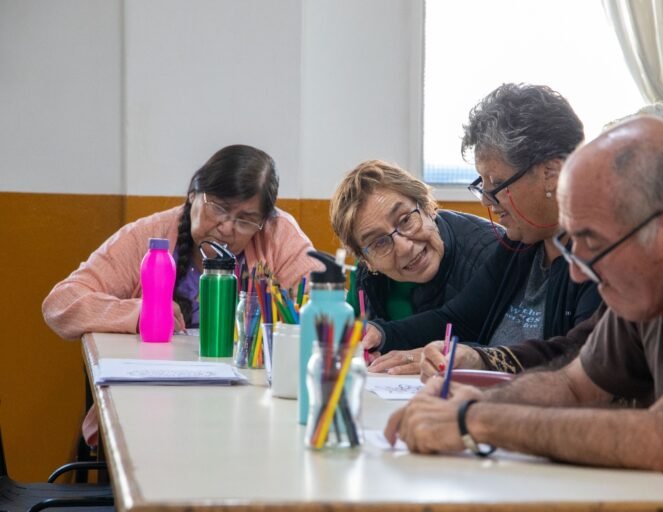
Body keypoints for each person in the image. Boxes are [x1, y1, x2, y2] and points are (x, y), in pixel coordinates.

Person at [385, 116, 663, 512]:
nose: (575, 268)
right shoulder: (656, 278)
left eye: (591, 241)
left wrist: (476, 422)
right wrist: (480, 403)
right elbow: (573, 386)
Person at [419, 101, 663, 379]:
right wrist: (480, 369)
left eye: (624, 209)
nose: (583, 267)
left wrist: (475, 418)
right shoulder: (654, 279)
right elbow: (577, 367)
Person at [43, 145, 321, 445]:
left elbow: (323, 308)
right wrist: (138, 313)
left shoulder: (277, 234)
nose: (227, 227)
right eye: (219, 207)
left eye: (245, 220)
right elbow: (60, 304)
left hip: (249, 412)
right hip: (152, 410)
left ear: (263, 221)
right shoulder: (153, 235)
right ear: (194, 194)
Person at [361, 83, 601, 374]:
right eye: (482, 185)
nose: (488, 200)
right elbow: (458, 318)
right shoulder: (519, 246)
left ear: (551, 173)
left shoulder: (600, 256)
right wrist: (383, 334)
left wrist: (481, 359)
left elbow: (580, 357)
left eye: (496, 183)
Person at [330, 159, 499, 372]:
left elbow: (515, 352)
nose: (404, 247)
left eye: (405, 220)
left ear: (428, 207)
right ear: (367, 260)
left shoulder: (492, 251)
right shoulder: (368, 278)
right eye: (379, 242)